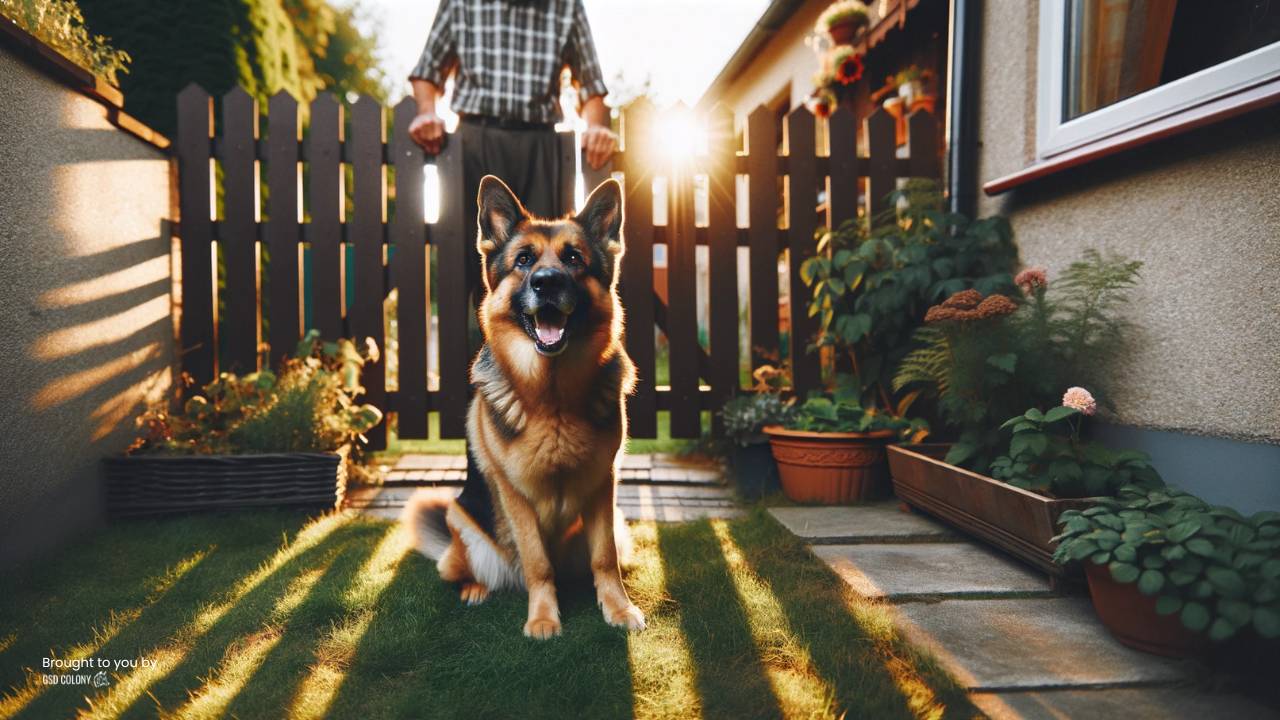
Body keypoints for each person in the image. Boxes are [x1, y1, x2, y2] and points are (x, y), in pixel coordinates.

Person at [407, 0, 616, 227]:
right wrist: (427, 112)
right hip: (474, 143)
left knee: (542, 245)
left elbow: (590, 82)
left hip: (540, 149)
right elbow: (428, 70)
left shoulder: (566, 5)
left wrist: (595, 126)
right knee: (473, 245)